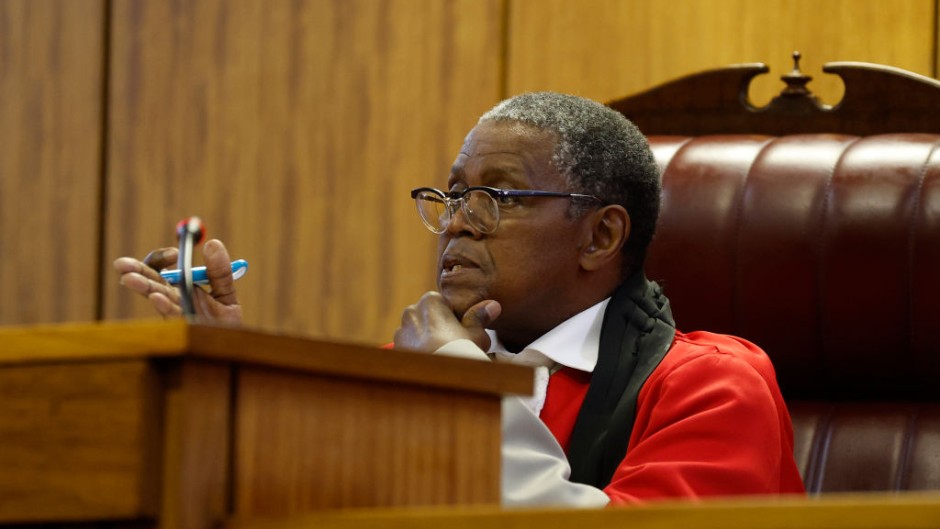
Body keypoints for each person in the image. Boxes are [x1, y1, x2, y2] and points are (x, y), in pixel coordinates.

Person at [115, 92, 805, 507]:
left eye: (496, 196)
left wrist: (458, 382)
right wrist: (229, 377)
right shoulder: (406, 368)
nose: (457, 219)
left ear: (600, 234)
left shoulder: (711, 386)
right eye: (451, 194)